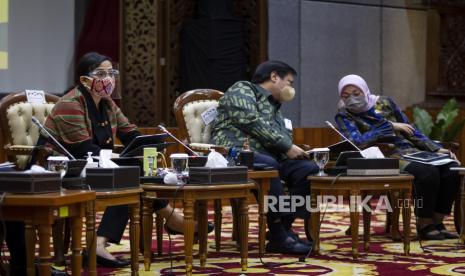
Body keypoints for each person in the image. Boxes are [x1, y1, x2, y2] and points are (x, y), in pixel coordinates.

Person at [7, 52, 211, 272]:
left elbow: (131, 135)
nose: (109, 79)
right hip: (59, 170)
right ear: (85, 80)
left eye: (111, 73)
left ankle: (105, 242)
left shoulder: (108, 104)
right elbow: (83, 150)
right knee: (128, 174)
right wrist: (121, 160)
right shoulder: (71, 103)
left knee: (132, 170)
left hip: (92, 166)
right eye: (101, 74)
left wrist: (154, 143)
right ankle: (170, 220)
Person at [211, 60, 319, 254]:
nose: (291, 88)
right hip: (235, 154)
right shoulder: (243, 89)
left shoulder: (275, 107)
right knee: (269, 165)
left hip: (270, 157)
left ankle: (283, 227)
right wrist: (287, 146)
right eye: (289, 81)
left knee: (307, 169)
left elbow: (284, 138)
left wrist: (296, 151)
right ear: (274, 77)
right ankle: (279, 234)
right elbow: (251, 121)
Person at [334, 74, 460, 240]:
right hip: (384, 157)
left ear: (365, 90)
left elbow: (411, 130)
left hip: (411, 150)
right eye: (346, 96)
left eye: (356, 93)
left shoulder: (386, 103)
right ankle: (424, 224)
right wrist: (389, 126)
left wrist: (436, 149)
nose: (352, 99)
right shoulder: (344, 115)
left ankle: (437, 221)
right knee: (428, 173)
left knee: (452, 169)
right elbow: (356, 142)